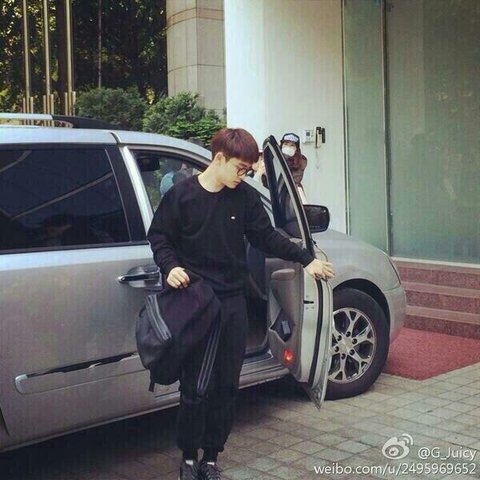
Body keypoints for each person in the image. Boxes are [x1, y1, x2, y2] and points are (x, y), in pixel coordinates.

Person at [147, 128, 334, 480]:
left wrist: (306, 258)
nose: (243, 175)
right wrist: (169, 266)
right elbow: (159, 237)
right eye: (239, 168)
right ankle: (188, 459)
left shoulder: (244, 198)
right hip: (195, 302)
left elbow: (266, 236)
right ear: (219, 158)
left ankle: (210, 458)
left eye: (248, 170)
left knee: (227, 385)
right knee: (195, 387)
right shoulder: (181, 196)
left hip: (232, 302)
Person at [280, 132, 308, 203]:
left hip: (292, 195)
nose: (288, 147)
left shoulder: (301, 161)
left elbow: (295, 180)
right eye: (286, 144)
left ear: (296, 149)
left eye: (292, 145)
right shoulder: (275, 158)